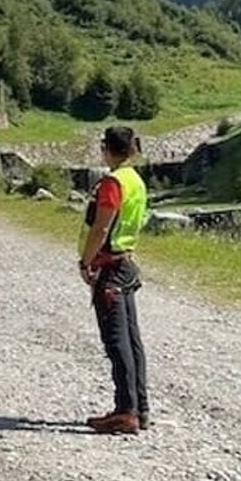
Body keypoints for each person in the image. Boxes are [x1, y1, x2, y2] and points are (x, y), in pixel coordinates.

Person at [79, 126, 150, 435]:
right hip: (127, 260)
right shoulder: (135, 179)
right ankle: (140, 407)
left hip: (109, 265)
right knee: (132, 340)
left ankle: (125, 410)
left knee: (117, 340)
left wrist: (86, 260)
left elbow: (101, 227)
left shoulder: (112, 182)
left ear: (106, 148)